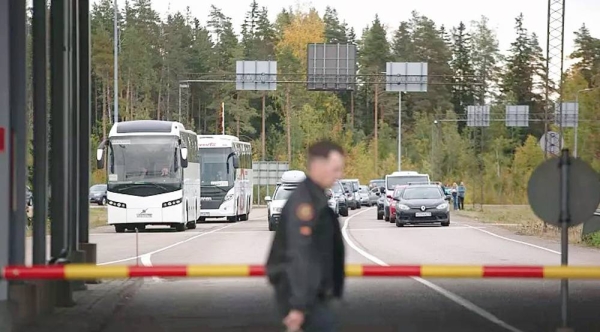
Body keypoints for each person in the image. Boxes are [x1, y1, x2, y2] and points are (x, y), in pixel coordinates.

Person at [266, 140, 346, 332]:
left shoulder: (315, 197)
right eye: (335, 169)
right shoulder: (304, 204)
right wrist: (298, 307)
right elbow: (299, 254)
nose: (339, 175)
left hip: (313, 298)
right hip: (307, 302)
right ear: (318, 166)